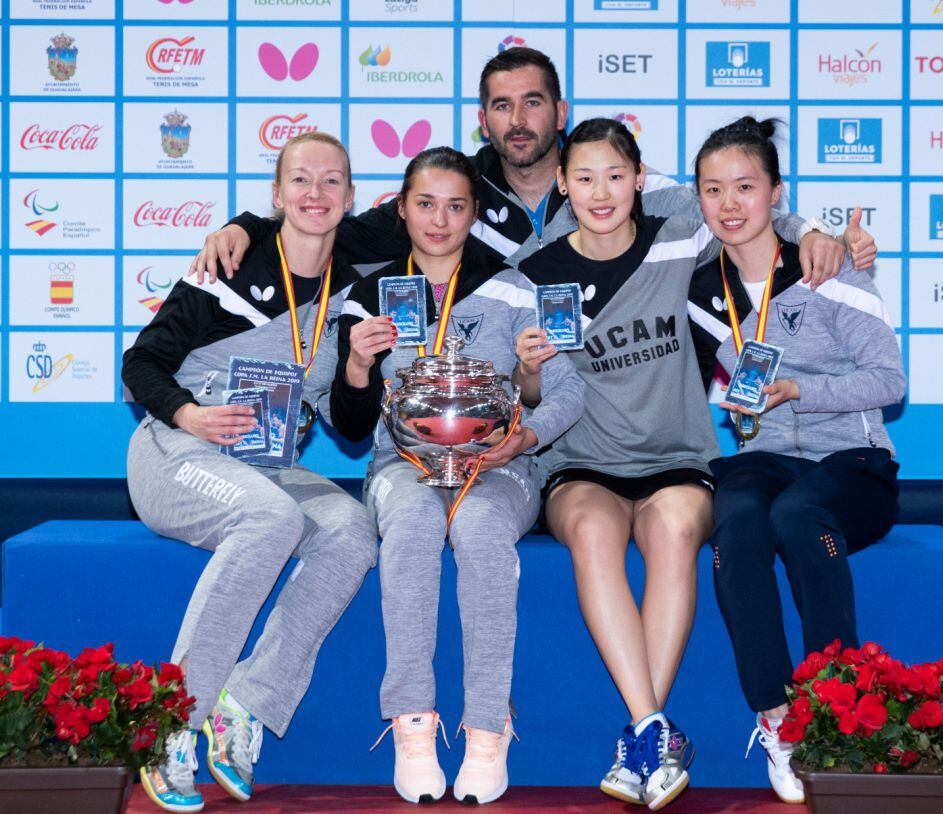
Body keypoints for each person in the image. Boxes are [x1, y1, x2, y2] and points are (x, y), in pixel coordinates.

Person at [122, 132, 379, 814]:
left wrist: (358, 369)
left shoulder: (351, 289)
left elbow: (351, 428)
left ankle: (245, 703)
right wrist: (188, 415)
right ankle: (172, 723)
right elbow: (140, 363)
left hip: (266, 465)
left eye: (331, 183)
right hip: (176, 454)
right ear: (276, 195)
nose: (315, 194)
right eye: (301, 180)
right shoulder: (227, 267)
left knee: (353, 531)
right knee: (272, 518)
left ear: (350, 199)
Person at [329, 147, 585, 805]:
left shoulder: (514, 289)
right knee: (413, 525)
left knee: (477, 528)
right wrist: (356, 368)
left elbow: (566, 393)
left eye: (456, 205)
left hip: (502, 467)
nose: (439, 220)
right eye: (424, 203)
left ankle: (486, 729)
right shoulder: (367, 295)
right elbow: (353, 427)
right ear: (401, 207)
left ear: (475, 212)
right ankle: (413, 724)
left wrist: (527, 433)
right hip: (402, 467)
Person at [189, 47, 874, 288]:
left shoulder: (611, 181)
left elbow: (726, 208)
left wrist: (810, 230)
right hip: (495, 397)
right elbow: (333, 225)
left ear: (561, 110)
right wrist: (253, 221)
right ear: (483, 119)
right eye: (501, 106)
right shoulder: (450, 193)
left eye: (532, 103)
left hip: (598, 392)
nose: (518, 121)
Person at [514, 116, 740, 810]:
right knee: (590, 535)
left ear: (641, 180)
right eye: (583, 177)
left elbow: (749, 216)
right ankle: (653, 732)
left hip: (677, 455)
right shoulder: (536, 271)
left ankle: (644, 733)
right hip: (582, 461)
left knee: (672, 534)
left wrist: (822, 233)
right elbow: (529, 400)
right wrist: (526, 372)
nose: (601, 191)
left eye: (616, 175)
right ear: (562, 184)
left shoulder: (677, 240)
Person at [687, 117, 906, 805]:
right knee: (740, 522)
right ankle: (779, 718)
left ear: (776, 194)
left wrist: (799, 392)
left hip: (853, 460)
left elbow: (890, 382)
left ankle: (836, 712)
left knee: (798, 513)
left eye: (745, 187)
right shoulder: (702, 292)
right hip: (767, 456)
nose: (729, 204)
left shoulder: (827, 268)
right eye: (713, 189)